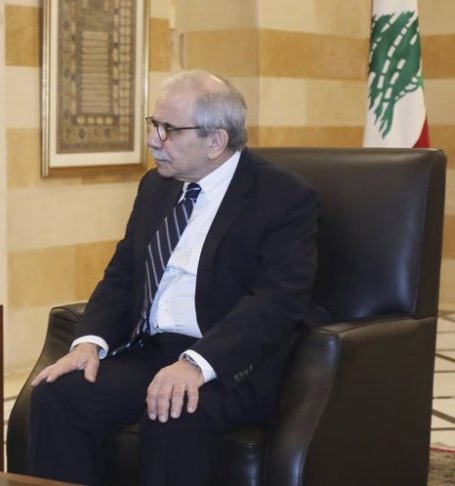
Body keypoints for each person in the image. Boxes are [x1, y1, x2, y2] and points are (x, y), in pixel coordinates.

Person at [27, 70, 329, 485]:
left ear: (216, 141)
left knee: (172, 409)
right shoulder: (157, 186)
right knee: (57, 397)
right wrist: (89, 341)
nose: (154, 140)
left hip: (232, 361)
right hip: (153, 351)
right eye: (154, 125)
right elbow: (123, 274)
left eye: (168, 130)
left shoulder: (283, 198)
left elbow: (277, 302)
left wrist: (196, 363)